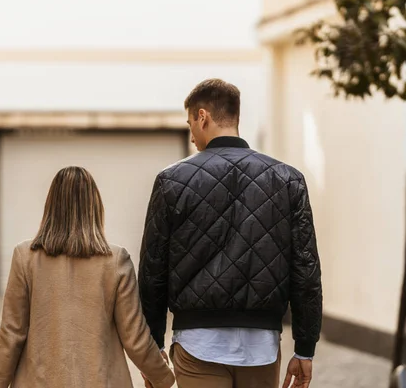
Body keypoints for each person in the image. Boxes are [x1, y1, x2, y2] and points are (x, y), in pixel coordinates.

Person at [138, 79, 323, 388]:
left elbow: (153, 270)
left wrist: (154, 344)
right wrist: (305, 349)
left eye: (190, 124)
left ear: (202, 116)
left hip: (197, 344)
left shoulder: (172, 181)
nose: (193, 136)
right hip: (261, 347)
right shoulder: (288, 180)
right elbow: (306, 270)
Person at [0, 166, 175, 388]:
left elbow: (11, 334)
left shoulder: (25, 257)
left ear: (50, 206)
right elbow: (135, 336)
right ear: (95, 206)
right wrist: (163, 377)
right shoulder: (115, 260)